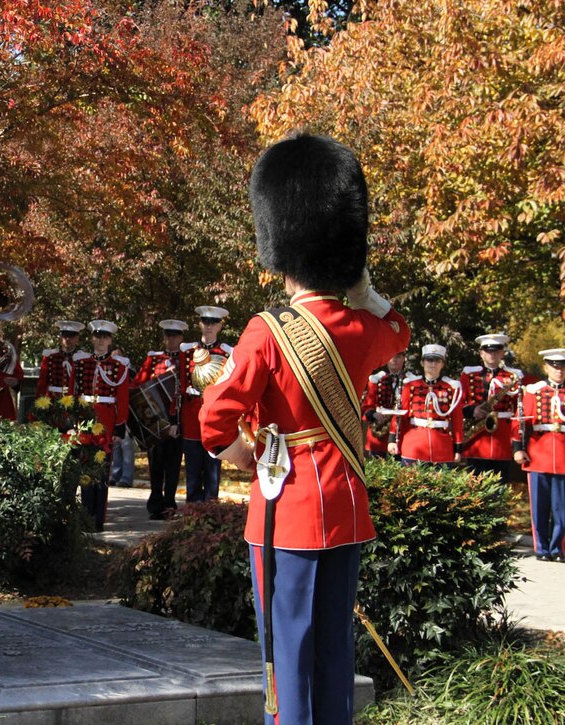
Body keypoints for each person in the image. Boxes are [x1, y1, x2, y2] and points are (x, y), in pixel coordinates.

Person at [200, 133, 410, 725]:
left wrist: (246, 457)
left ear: (283, 253)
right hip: (347, 503)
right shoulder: (360, 329)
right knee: (334, 645)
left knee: (286, 646)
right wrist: (367, 294)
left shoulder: (266, 330)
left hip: (286, 507)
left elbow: (213, 419)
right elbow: (398, 330)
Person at [73, 320, 131, 530]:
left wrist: (119, 426)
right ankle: (86, 516)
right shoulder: (81, 364)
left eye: (105, 337)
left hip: (106, 422)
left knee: (103, 471)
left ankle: (98, 519)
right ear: (92, 338)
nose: (100, 341)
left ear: (110, 340)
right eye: (97, 336)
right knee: (86, 469)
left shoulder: (119, 366)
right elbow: (75, 393)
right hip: (85, 421)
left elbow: (122, 399)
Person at [512, 348, 565, 562]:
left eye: (561, 366)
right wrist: (518, 448)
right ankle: (542, 548)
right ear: (545, 368)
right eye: (554, 366)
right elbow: (520, 421)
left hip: (563, 455)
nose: (558, 370)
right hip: (539, 452)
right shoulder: (535, 391)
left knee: (562, 508)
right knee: (539, 506)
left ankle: (558, 548)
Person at [134, 319, 189, 519]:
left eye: (174, 336)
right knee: (155, 465)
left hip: (177, 420)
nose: (170, 339)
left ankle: (169, 505)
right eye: (167, 335)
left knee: (173, 466)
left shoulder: (186, 360)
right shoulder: (153, 359)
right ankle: (155, 504)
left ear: (181, 337)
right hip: (156, 420)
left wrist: (178, 422)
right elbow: (138, 384)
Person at [183, 306, 234, 502]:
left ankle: (211, 511)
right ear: (199, 324)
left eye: (214, 323)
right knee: (193, 469)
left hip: (214, 416)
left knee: (212, 469)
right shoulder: (188, 351)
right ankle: (192, 513)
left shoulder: (227, 353)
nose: (209, 326)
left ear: (220, 326)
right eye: (205, 322)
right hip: (192, 416)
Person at [389, 344, 464, 467]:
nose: (433, 364)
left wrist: (458, 448)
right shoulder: (411, 385)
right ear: (422, 362)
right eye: (429, 360)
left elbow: (457, 420)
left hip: (442, 449)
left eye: (437, 360)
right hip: (414, 446)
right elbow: (400, 414)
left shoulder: (452, 387)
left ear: (442, 364)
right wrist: (392, 440)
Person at [461, 333, 523, 479]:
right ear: (481, 353)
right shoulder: (469, 375)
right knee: (475, 489)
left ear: (502, 353)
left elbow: (519, 411)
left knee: (500, 490)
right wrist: (472, 410)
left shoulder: (513, 377)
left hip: (502, 438)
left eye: (496, 351)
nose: (492, 354)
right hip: (476, 440)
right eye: (488, 351)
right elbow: (458, 404)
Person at [362, 350, 407, 459]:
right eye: (391, 356)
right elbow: (367, 406)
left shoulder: (409, 381)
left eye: (398, 357)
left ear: (403, 359)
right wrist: (374, 414)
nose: (394, 360)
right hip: (379, 434)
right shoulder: (376, 379)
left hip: (401, 434)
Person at [109, 345, 136, 487]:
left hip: (126, 414)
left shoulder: (128, 371)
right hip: (112, 413)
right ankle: (115, 474)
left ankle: (126, 477)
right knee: (115, 446)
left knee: (126, 445)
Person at [37, 320, 84, 400]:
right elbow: (42, 382)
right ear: (60, 338)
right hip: (52, 398)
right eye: (65, 336)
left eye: (71, 336)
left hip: (74, 400)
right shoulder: (50, 356)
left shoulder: (82, 358)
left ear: (77, 339)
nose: (68, 339)